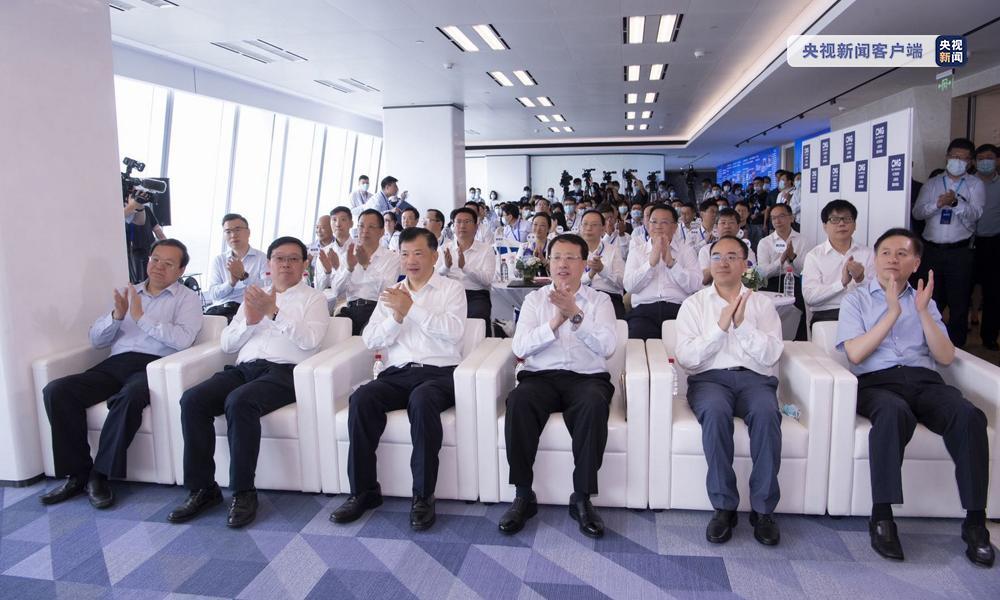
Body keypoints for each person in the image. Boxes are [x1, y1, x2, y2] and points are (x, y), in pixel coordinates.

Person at [836, 228, 993, 567]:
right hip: (877, 384)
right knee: (894, 413)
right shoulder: (856, 300)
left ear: (916, 263)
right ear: (874, 259)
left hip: (925, 381)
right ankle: (882, 517)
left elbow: (946, 356)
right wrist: (892, 312)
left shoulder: (925, 301)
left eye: (902, 253)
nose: (893, 259)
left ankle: (975, 522)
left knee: (969, 416)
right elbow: (856, 354)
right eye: (885, 252)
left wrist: (921, 311)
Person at [168, 236, 328, 528]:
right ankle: (203, 488)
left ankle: (243, 492)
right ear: (269, 263)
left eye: (293, 259)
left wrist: (274, 313)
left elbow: (311, 340)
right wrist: (249, 321)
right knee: (192, 400)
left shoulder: (314, 298)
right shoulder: (253, 295)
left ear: (305, 264)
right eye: (280, 258)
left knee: (239, 401)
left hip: (284, 372)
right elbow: (227, 344)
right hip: (244, 368)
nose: (286, 264)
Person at [40, 240, 202, 509]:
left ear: (181, 270)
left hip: (153, 366)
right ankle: (77, 474)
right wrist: (117, 316)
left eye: (168, 263)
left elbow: (184, 340)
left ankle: (100, 475)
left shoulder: (187, 299)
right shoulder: (129, 292)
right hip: (115, 363)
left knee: (129, 397)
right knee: (57, 391)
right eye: (155, 259)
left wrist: (141, 318)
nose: (158, 267)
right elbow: (97, 341)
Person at [331, 228, 467, 531]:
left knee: (423, 400)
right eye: (405, 254)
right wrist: (396, 317)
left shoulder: (451, 289)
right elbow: (370, 339)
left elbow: (454, 332)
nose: (411, 260)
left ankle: (423, 496)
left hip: (439, 373)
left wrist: (411, 309)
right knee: (362, 398)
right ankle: (363, 492)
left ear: (434, 256)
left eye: (418, 253)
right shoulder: (390, 293)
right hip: (396, 373)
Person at [497, 234, 617, 538]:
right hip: (541, 376)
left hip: (587, 377)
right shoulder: (534, 300)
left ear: (583, 263)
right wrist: (554, 323)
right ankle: (523, 495)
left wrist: (575, 315)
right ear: (548, 262)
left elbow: (607, 347)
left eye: (570, 257)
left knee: (593, 405)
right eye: (556, 257)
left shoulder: (600, 301)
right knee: (519, 401)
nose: (563, 264)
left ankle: (582, 498)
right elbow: (520, 347)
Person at [675, 235, 784, 546]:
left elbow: (771, 355)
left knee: (767, 414)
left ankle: (763, 510)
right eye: (717, 256)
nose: (723, 263)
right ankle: (724, 507)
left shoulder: (761, 304)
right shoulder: (694, 304)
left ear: (745, 263)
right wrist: (720, 328)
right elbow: (687, 358)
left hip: (755, 380)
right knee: (715, 413)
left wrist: (742, 326)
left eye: (731, 256)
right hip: (709, 381)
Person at [912, 138, 985, 348]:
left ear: (970, 162)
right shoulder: (933, 183)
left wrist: (955, 203)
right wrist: (937, 204)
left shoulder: (975, 185)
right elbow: (917, 212)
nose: (957, 161)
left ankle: (956, 348)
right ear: (947, 157)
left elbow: (976, 214)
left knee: (959, 302)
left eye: (962, 158)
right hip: (931, 250)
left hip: (959, 252)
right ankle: (926, 344)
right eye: (954, 156)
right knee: (929, 299)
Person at [624, 204, 702, 339]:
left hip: (678, 311)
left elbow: (695, 285)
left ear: (675, 227)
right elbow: (629, 286)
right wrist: (650, 264)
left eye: (664, 222)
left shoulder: (686, 251)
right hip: (643, 312)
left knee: (683, 348)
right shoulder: (637, 251)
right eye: (654, 222)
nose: (658, 226)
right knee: (637, 346)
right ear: (648, 224)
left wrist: (672, 264)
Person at [802, 199, 874, 326]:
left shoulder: (868, 254)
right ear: (825, 226)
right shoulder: (814, 256)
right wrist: (841, 283)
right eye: (834, 219)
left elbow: (880, 292)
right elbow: (810, 297)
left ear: (855, 225)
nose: (841, 223)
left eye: (847, 219)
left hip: (863, 312)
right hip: (828, 315)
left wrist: (861, 279)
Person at [332, 209, 401, 335]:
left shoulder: (392, 258)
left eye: (371, 227)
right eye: (361, 226)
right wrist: (349, 269)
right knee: (334, 333)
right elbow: (337, 291)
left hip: (377, 311)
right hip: (351, 309)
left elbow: (386, 293)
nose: (365, 231)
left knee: (365, 336)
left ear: (382, 231)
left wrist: (366, 265)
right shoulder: (348, 254)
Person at [437, 207, 494, 336]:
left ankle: (480, 347)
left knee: (477, 317)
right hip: (449, 293)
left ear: (476, 226)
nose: (462, 226)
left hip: (475, 294)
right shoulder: (444, 249)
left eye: (467, 222)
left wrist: (465, 268)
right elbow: (434, 276)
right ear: (453, 226)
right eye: (458, 222)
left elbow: (487, 280)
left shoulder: (486, 250)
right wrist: (446, 267)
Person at [204, 214, 268, 322]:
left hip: (248, 311)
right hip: (220, 312)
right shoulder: (219, 260)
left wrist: (244, 276)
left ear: (248, 232)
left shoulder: (262, 258)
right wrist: (230, 283)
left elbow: (268, 288)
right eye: (228, 231)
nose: (233, 235)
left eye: (238, 230)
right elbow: (213, 294)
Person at [974, 144, 1000, 350]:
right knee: (960, 291)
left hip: (993, 243)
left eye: (989, 157)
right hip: (966, 244)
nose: (985, 162)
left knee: (993, 293)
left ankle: (989, 337)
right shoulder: (967, 182)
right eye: (980, 158)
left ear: (997, 160)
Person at [579, 209, 626, 319]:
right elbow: (569, 281)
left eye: (594, 225)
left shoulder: (613, 250)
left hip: (609, 297)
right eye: (585, 224)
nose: (589, 228)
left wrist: (603, 270)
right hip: (580, 297)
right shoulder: (572, 251)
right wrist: (590, 275)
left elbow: (623, 283)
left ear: (603, 228)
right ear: (580, 227)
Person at [698, 208, 757, 286]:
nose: (727, 226)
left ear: (738, 226)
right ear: (716, 227)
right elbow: (704, 280)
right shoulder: (705, 250)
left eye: (731, 222)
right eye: (723, 223)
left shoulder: (747, 251)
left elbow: (752, 281)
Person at [314, 207, 356, 314]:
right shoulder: (324, 252)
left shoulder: (360, 250)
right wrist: (327, 272)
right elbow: (318, 288)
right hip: (326, 305)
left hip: (353, 304)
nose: (337, 224)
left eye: (343, 219)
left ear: (351, 223)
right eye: (334, 220)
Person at [124, 192, 166, 284]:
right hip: (133, 253)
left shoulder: (146, 209)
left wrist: (167, 247)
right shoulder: (124, 213)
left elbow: (158, 231)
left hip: (150, 250)